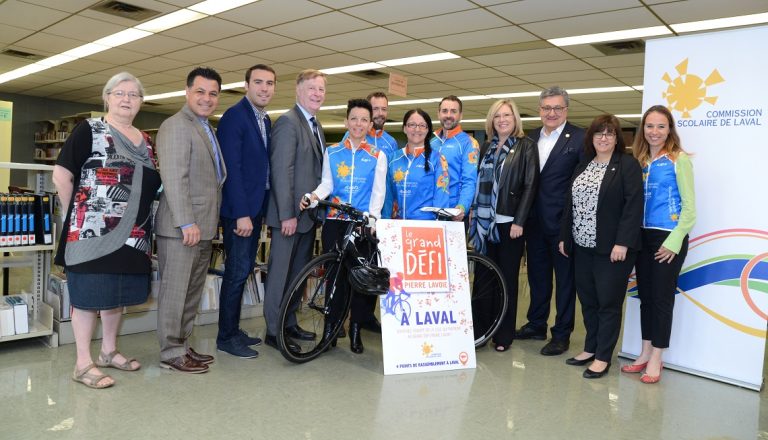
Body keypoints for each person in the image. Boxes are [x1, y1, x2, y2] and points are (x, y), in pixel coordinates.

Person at [52, 72, 161, 388]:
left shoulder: (147, 140)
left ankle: (109, 351)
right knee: (88, 294)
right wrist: (74, 213)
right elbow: (62, 175)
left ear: (140, 102)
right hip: (91, 231)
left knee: (116, 294)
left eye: (134, 94)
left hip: (135, 235)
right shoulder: (90, 129)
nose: (126, 99)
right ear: (107, 97)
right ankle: (82, 363)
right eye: (119, 93)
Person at [559, 114, 643, 379]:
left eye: (609, 133)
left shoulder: (627, 165)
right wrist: (565, 236)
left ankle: (603, 356)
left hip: (612, 249)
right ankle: (590, 347)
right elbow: (569, 204)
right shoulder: (584, 165)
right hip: (582, 245)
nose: (603, 138)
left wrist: (623, 242)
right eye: (599, 133)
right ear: (591, 137)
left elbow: (633, 206)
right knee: (588, 300)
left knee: (608, 302)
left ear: (617, 138)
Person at [300, 98, 387, 354]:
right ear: (346, 121)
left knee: (360, 281)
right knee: (335, 279)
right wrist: (315, 196)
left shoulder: (377, 155)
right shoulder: (333, 151)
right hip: (335, 223)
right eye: (354, 119)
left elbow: (378, 194)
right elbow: (327, 183)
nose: (358, 124)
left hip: (362, 225)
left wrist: (371, 220)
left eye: (363, 120)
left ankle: (356, 330)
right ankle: (330, 329)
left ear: (370, 124)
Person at [155, 67, 226, 374]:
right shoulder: (175, 126)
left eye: (212, 93)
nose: (206, 98)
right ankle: (170, 351)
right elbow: (174, 178)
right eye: (200, 91)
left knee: (191, 292)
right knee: (175, 291)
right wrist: (186, 222)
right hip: (182, 227)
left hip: (203, 225)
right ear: (187, 92)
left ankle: (182, 344)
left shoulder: (206, 127)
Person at [622, 105, 696, 384]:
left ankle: (657, 357)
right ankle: (643, 352)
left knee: (662, 299)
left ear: (669, 130)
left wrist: (674, 241)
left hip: (668, 236)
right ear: (643, 129)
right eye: (649, 126)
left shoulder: (679, 160)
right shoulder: (639, 160)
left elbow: (690, 209)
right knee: (646, 298)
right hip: (641, 236)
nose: (654, 132)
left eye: (661, 126)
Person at [516, 86, 585, 356]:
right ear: (539, 110)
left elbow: (580, 184)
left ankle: (561, 333)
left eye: (557, 108)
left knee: (565, 281)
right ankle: (536, 324)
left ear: (566, 110)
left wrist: (570, 225)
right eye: (546, 108)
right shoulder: (529, 138)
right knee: (538, 276)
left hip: (563, 223)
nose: (551, 113)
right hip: (533, 221)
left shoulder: (579, 138)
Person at [263, 69, 327, 351]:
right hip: (289, 217)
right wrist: (287, 213)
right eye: (312, 88)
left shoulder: (316, 124)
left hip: (307, 218)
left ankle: (288, 322)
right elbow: (281, 171)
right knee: (280, 275)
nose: (317, 94)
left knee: (297, 275)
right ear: (298, 91)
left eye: (321, 89)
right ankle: (273, 331)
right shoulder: (288, 123)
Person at [215, 64, 275, 359]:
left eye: (270, 83)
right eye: (259, 82)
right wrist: (241, 214)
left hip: (255, 208)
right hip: (240, 211)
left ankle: (234, 329)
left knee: (244, 269)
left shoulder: (265, 121)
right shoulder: (234, 117)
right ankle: (225, 336)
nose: (264, 88)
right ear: (247, 85)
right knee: (236, 273)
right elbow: (232, 170)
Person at [469, 99, 539, 352]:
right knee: (484, 279)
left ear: (515, 118)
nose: (502, 120)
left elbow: (531, 185)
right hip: (484, 225)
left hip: (509, 224)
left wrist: (520, 220)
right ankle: (480, 331)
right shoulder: (487, 146)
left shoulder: (526, 146)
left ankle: (503, 335)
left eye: (507, 115)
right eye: (497, 116)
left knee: (507, 280)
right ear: (491, 120)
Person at [340, 91, 398, 334]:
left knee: (372, 268)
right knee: (347, 269)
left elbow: (393, 179)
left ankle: (365, 317)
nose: (380, 114)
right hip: (354, 215)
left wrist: (392, 210)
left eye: (384, 109)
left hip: (380, 216)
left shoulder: (391, 143)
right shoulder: (349, 136)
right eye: (375, 109)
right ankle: (341, 317)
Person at [384, 108, 450, 220]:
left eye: (422, 125)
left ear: (428, 130)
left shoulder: (438, 159)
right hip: (396, 226)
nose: (417, 129)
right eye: (412, 125)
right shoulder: (392, 159)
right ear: (404, 128)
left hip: (425, 227)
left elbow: (441, 199)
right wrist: (384, 221)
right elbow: (387, 196)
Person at [430, 96, 479, 221]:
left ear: (460, 115)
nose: (448, 115)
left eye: (453, 111)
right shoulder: (431, 143)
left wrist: (462, 207)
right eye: (444, 111)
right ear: (438, 114)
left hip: (454, 212)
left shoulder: (469, 143)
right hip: (430, 211)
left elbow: (469, 180)